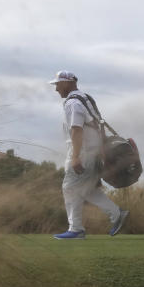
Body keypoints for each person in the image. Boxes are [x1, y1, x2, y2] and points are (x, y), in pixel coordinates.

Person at [49, 70, 129, 239]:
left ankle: (76, 229)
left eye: (58, 84)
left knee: (69, 188)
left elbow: (77, 130)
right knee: (85, 189)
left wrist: (76, 156)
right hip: (93, 150)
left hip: (83, 151)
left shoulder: (73, 103)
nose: (56, 89)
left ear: (67, 83)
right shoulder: (85, 98)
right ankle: (116, 214)